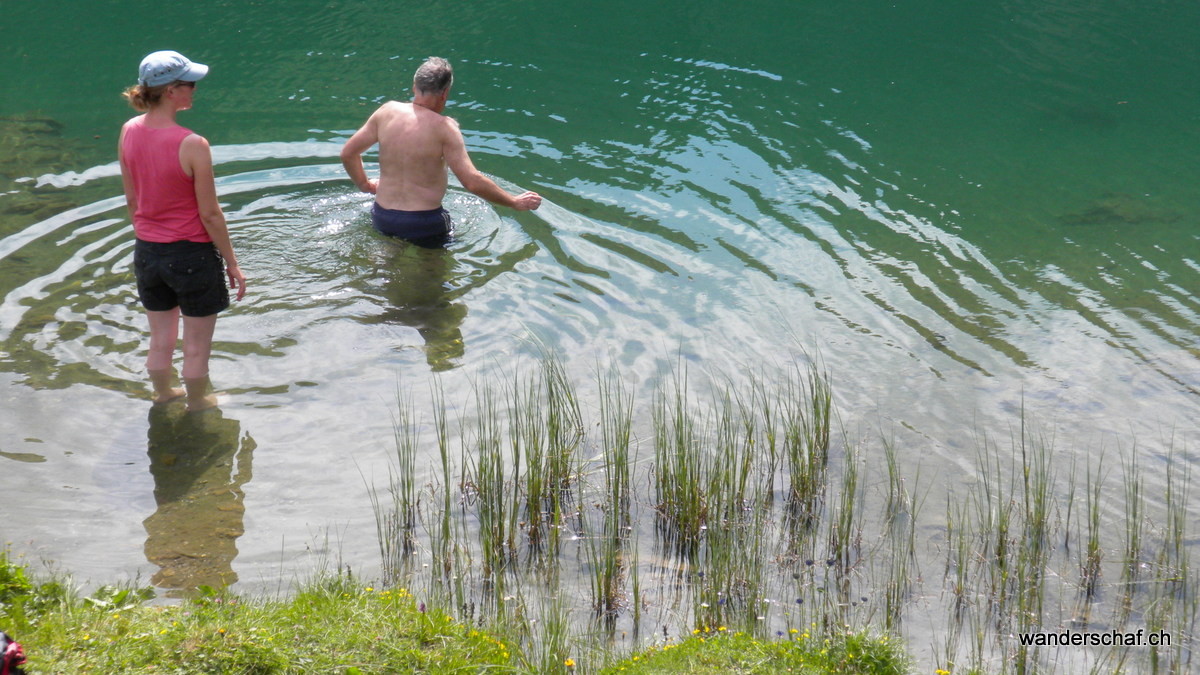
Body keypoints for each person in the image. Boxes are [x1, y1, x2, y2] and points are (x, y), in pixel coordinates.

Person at [119, 50, 246, 411]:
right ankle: (199, 403)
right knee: (195, 346)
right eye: (189, 84)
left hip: (147, 252)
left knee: (160, 340)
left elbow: (132, 199)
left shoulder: (128, 131)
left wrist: (150, 240)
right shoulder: (192, 144)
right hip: (191, 254)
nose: (194, 90)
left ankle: (162, 395)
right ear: (171, 90)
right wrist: (232, 262)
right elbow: (209, 214)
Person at [341, 56, 542, 246]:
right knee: (434, 279)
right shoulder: (445, 128)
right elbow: (472, 181)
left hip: (382, 216)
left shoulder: (386, 112)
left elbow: (348, 153)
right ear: (445, 93)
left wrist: (365, 184)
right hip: (424, 222)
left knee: (387, 272)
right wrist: (514, 202)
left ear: (414, 86)